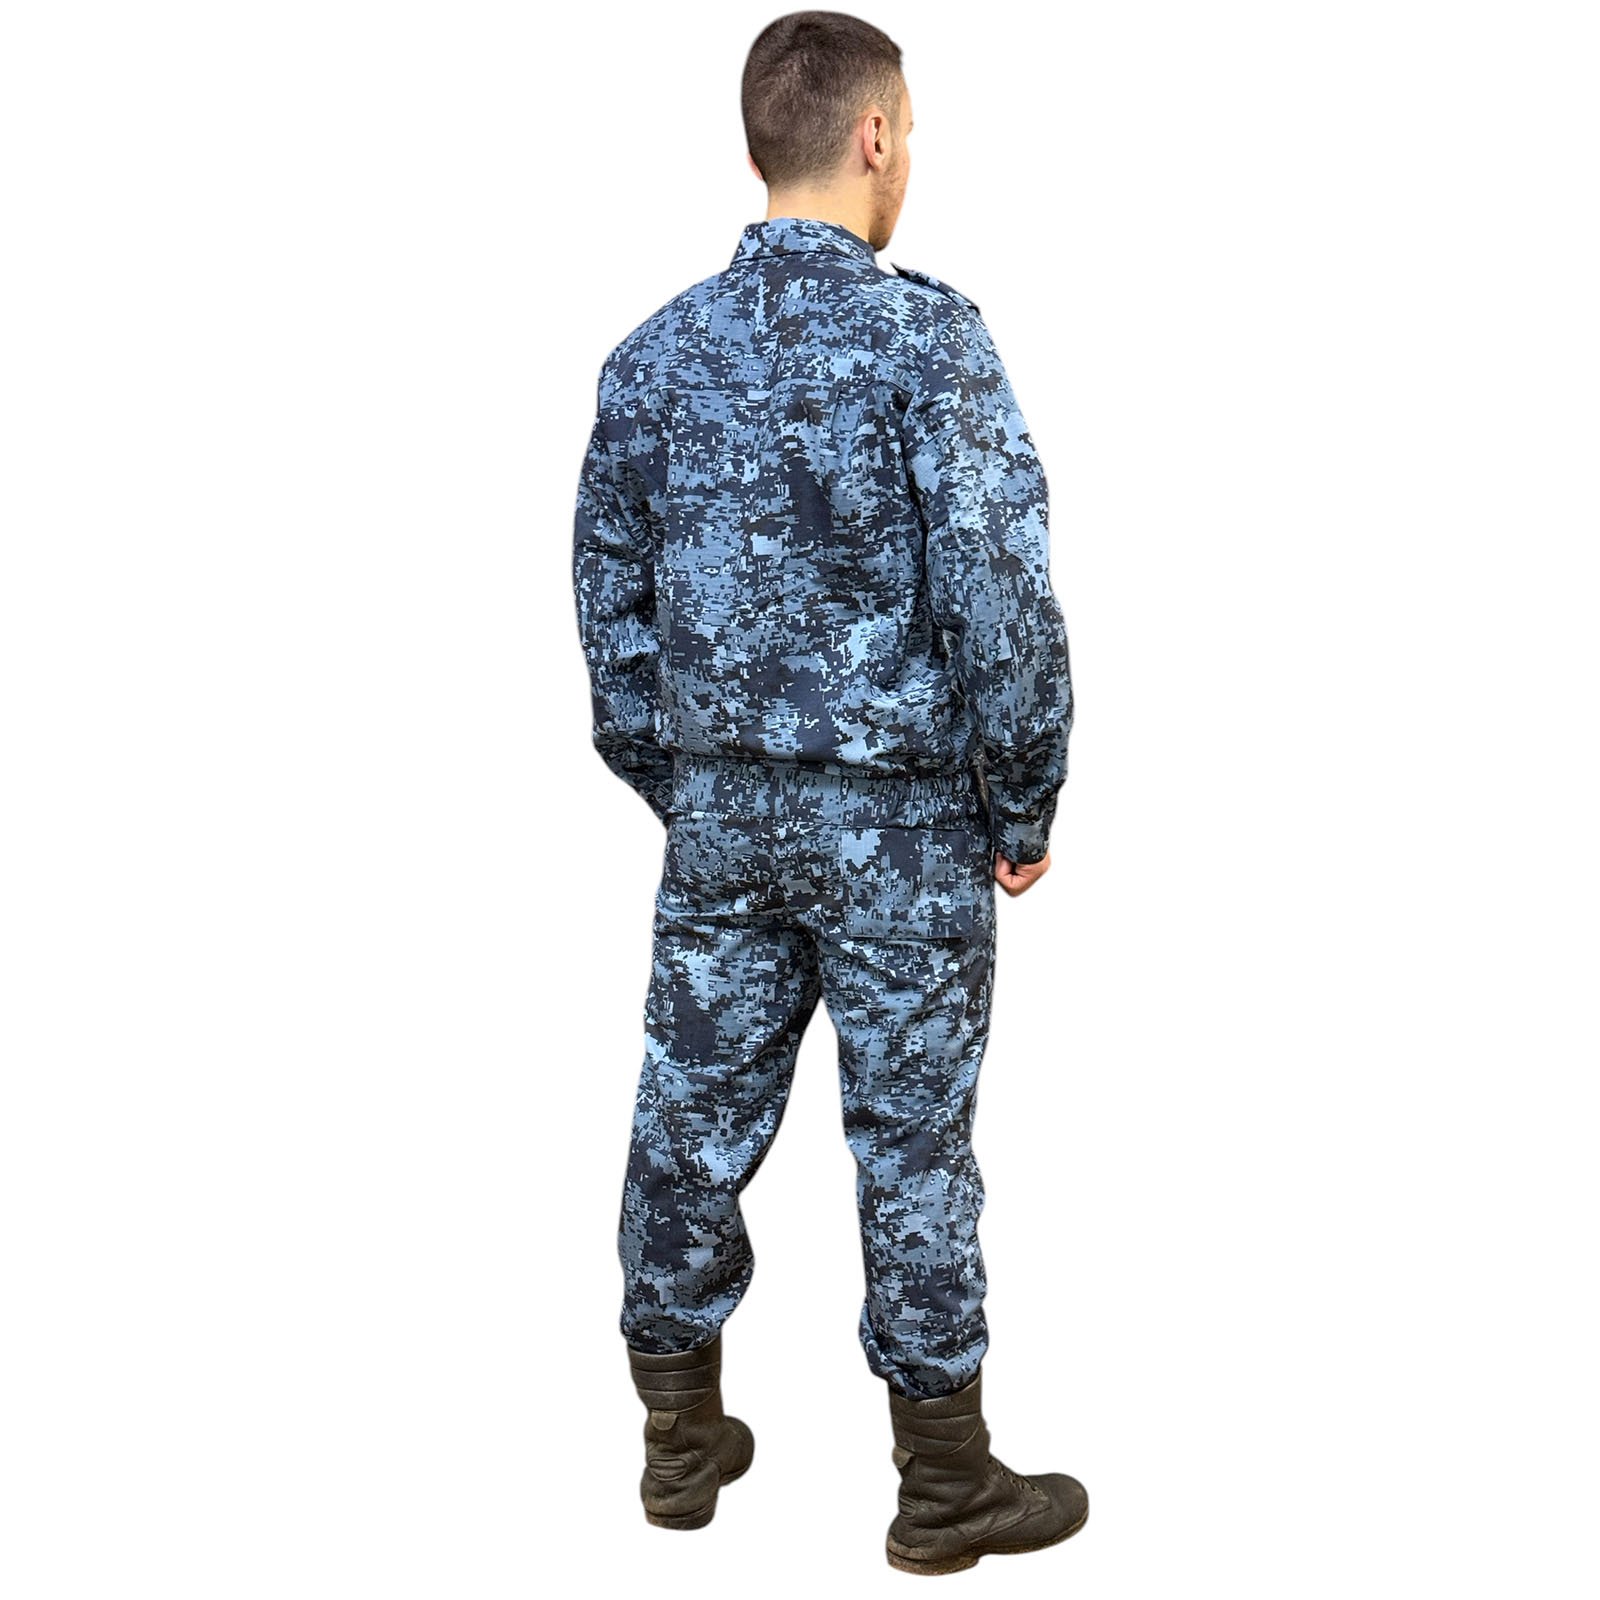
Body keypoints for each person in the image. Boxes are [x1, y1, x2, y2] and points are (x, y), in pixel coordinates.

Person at [571, 10, 1084, 1574]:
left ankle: (679, 1443)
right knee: (913, 1146)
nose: (909, 154)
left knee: (688, 1114)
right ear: (873, 138)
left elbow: (609, 614)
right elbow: (1002, 598)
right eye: (909, 129)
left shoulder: (653, 358)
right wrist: (1024, 803)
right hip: (903, 834)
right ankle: (944, 1487)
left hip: (723, 827)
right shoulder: (932, 346)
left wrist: (692, 790)